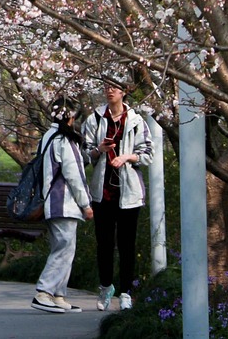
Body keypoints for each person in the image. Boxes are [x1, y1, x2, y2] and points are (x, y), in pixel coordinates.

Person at [82, 79, 153, 312]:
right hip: (102, 193)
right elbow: (84, 154)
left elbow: (148, 154)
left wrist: (127, 157)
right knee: (104, 243)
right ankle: (105, 287)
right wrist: (98, 150)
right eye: (107, 87)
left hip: (129, 193)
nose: (110, 91)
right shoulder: (94, 119)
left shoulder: (135, 120)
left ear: (124, 92)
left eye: (115, 87)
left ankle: (126, 292)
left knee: (126, 245)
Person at [32, 96, 94, 314]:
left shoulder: (48, 136)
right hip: (63, 202)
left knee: (64, 248)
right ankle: (44, 292)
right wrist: (86, 204)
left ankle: (59, 295)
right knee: (64, 249)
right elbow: (74, 174)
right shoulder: (63, 140)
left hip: (51, 202)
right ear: (71, 116)